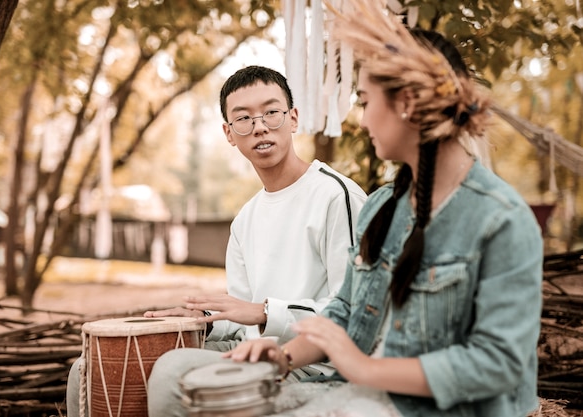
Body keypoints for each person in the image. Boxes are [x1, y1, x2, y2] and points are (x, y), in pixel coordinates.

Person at [219, 3, 544, 417]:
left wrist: (366, 369)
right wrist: (281, 358)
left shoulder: (502, 219)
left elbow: (498, 364)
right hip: (364, 397)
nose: (362, 116)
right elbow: (344, 311)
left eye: (366, 100)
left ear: (406, 103)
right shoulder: (382, 206)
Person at [65, 65, 367, 417]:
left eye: (272, 112)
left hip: (309, 368)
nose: (259, 127)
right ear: (229, 133)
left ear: (293, 118)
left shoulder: (335, 196)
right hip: (250, 354)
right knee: (83, 370)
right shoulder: (245, 219)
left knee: (171, 374)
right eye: (244, 119)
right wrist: (204, 320)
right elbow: (242, 317)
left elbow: (351, 310)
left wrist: (265, 311)